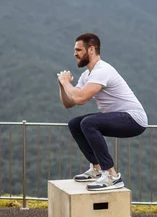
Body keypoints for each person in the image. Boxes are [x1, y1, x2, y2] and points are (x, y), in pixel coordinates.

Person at [57, 33, 147, 192]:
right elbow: (69, 103)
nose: (74, 54)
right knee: (75, 124)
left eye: (78, 50)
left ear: (91, 49)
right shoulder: (87, 75)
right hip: (121, 117)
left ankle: (112, 176)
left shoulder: (102, 70)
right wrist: (62, 86)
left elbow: (80, 98)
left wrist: (66, 82)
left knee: (89, 123)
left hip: (134, 119)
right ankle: (97, 168)